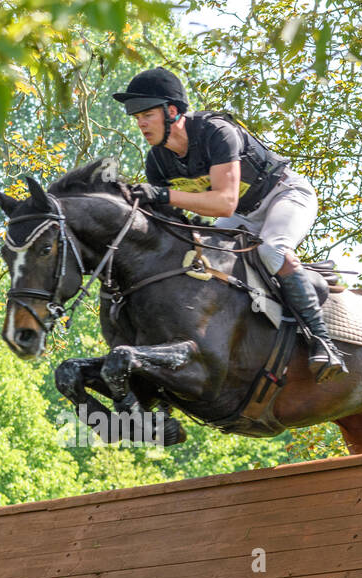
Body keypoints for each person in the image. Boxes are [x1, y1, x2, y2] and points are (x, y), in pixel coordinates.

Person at [112, 67, 347, 381]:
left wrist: (166, 194)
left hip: (284, 194)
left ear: (171, 111)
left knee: (273, 249)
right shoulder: (158, 161)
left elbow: (225, 202)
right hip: (243, 215)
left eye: (146, 115)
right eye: (136, 117)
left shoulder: (215, 133)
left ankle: (323, 341)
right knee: (211, 262)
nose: (140, 123)